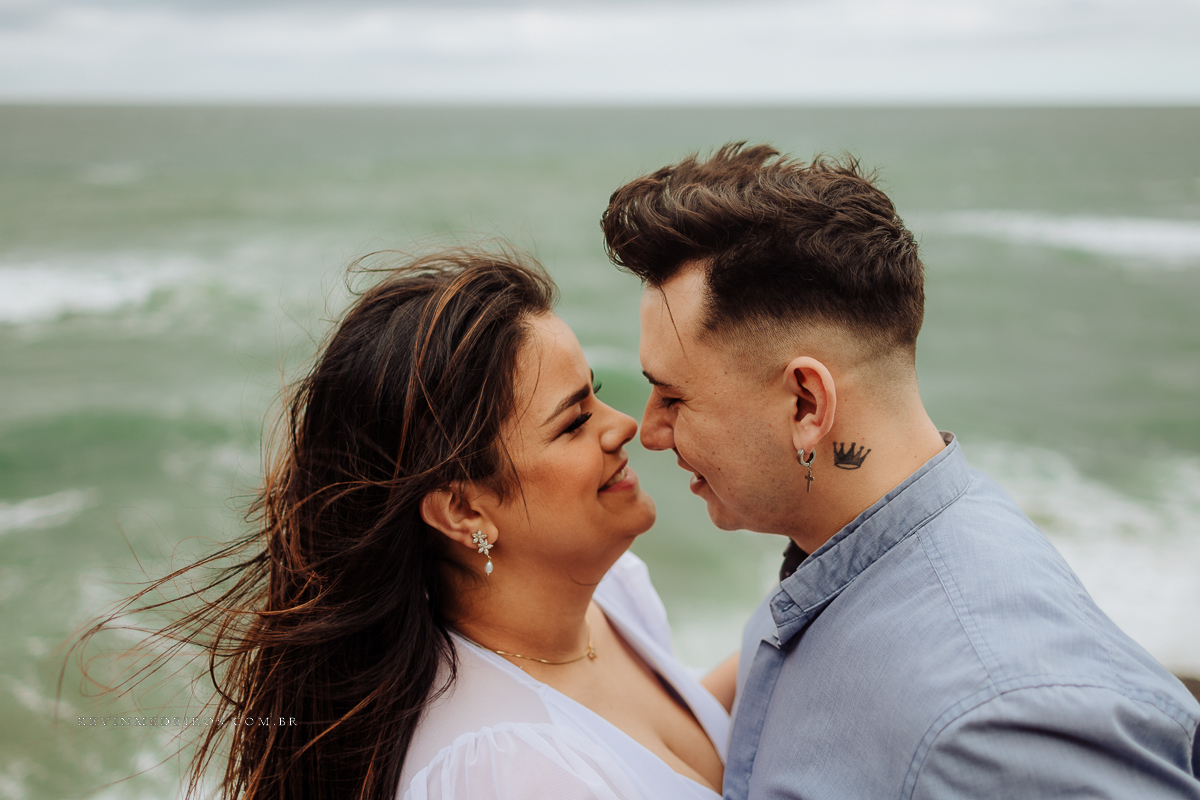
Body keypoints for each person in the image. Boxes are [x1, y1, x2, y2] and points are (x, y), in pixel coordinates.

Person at [600, 143, 1200, 799]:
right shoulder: (834, 561)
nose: (649, 431)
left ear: (806, 404)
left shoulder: (999, 725)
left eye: (675, 397)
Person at [81, 250, 727, 800]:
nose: (625, 426)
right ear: (464, 509)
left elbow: (660, 745)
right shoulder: (506, 772)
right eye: (574, 420)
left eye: (596, 390)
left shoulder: (608, 597)